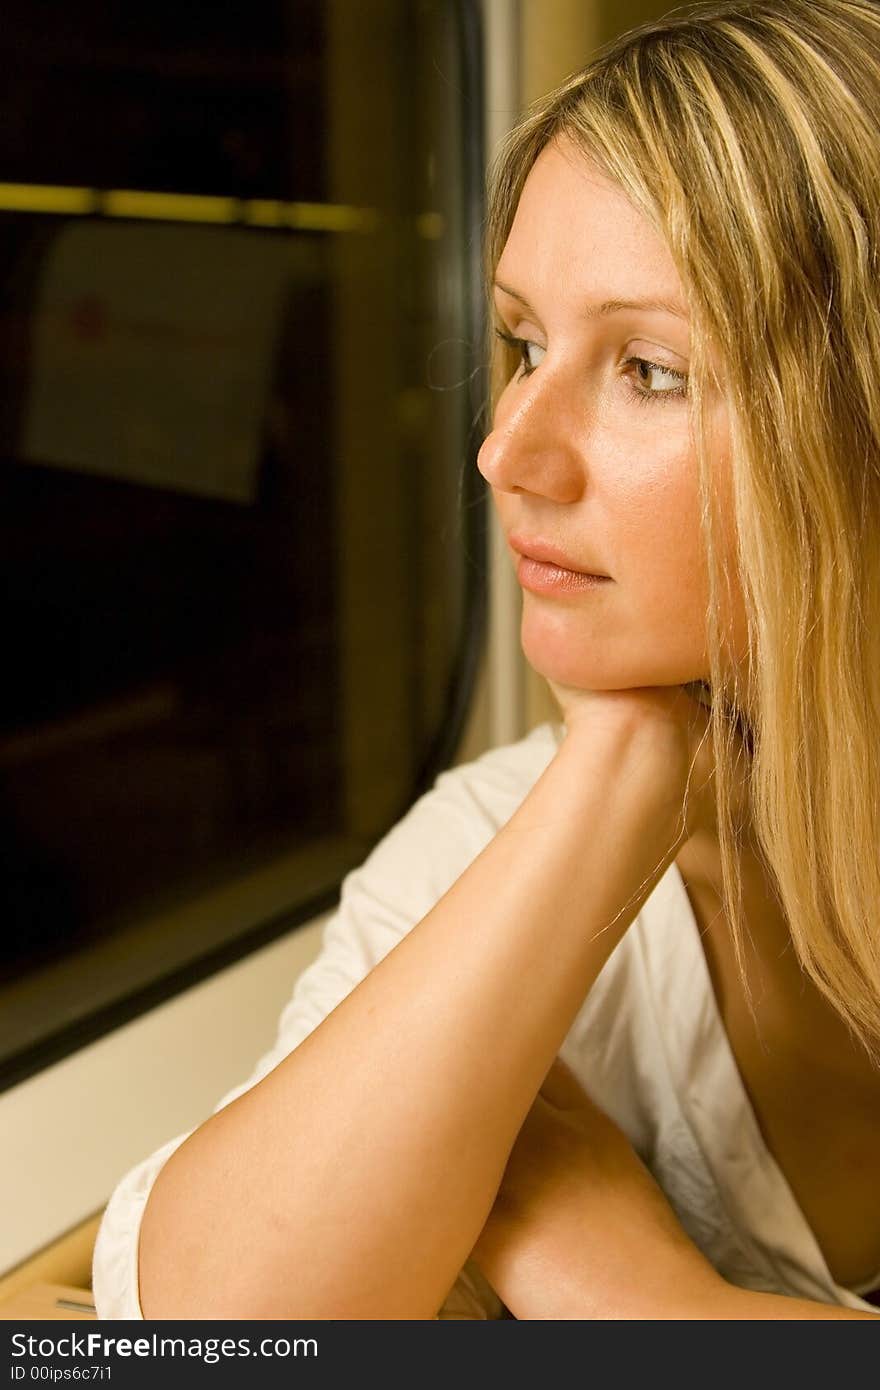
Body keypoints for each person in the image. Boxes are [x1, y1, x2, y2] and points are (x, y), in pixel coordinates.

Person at [92, 0, 880, 1319]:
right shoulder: (489, 849)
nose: (508, 451)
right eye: (522, 345)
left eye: (647, 368)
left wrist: (646, 1298)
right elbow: (206, 1336)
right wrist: (626, 756)